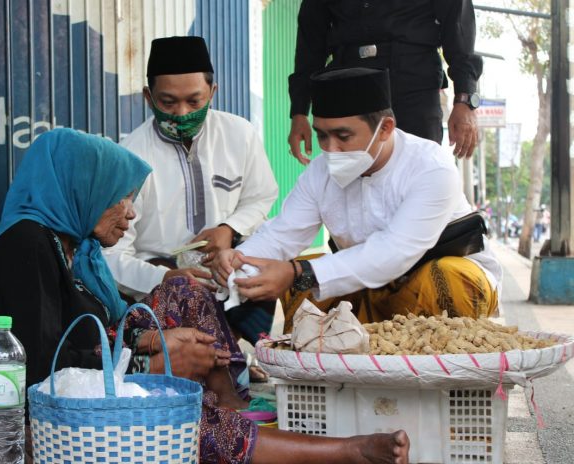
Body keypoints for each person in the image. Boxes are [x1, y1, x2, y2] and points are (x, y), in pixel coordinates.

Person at [0, 127, 410, 464]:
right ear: (81, 189)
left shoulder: (73, 245)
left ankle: (229, 401)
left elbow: (90, 331)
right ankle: (347, 452)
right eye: (121, 198)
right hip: (28, 415)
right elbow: (45, 369)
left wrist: (148, 343)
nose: (131, 214)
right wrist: (145, 359)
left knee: (180, 285)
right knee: (174, 419)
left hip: (77, 374)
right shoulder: (27, 245)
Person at [213, 68, 502, 333]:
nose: (331, 148)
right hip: (366, 291)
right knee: (298, 285)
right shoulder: (320, 172)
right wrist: (238, 261)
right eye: (322, 136)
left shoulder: (431, 166)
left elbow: (394, 251)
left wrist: (299, 272)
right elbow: (281, 235)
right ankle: (323, 381)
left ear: (385, 128)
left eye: (343, 136)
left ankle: (445, 374)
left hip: (432, 287)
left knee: (446, 278)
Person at [103, 36, 279, 347]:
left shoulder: (240, 134)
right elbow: (113, 256)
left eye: (194, 102)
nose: (182, 113)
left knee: (266, 261)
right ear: (148, 97)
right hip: (161, 275)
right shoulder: (129, 158)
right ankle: (217, 362)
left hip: (225, 264)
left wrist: (229, 228)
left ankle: (236, 350)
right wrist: (162, 279)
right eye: (168, 102)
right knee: (182, 301)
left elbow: (261, 197)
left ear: (213, 92)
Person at [287, 0, 482, 163]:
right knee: (351, 178)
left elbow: (458, 28)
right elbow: (310, 41)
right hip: (347, 81)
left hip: (413, 82)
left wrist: (464, 99)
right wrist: (299, 111)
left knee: (418, 167)